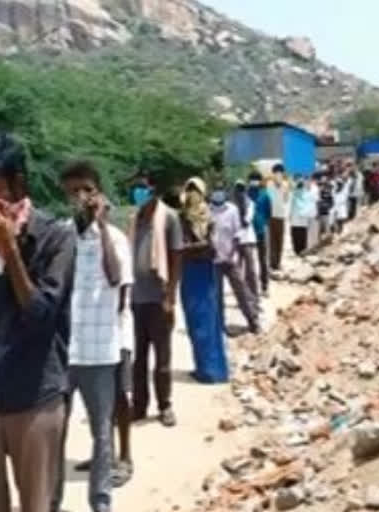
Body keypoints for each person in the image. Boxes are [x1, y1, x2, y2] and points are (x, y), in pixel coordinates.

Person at [0, 133, 76, 512]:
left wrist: (10, 248)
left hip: (35, 393)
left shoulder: (56, 238)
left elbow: (41, 316)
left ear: (18, 185)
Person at [59, 160, 134, 512]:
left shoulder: (116, 238)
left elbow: (115, 278)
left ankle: (100, 503)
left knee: (101, 434)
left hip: (100, 353)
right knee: (52, 432)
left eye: (86, 190)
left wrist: (101, 228)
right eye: (73, 192)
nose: (80, 198)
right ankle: (49, 500)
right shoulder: (61, 236)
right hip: (62, 352)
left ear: (98, 193)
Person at [128, 172, 183, 427]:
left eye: (142, 188)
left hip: (159, 298)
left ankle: (165, 405)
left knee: (162, 358)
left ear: (153, 190)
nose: (138, 192)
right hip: (137, 299)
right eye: (135, 188)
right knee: (138, 359)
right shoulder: (135, 219)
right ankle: (139, 406)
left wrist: (170, 297)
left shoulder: (168, 218)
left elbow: (176, 258)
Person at [178, 177, 228, 383]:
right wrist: (200, 247)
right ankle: (207, 367)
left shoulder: (196, 218)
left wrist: (189, 249)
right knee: (201, 319)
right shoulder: (194, 217)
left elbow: (188, 247)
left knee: (204, 319)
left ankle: (209, 370)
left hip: (197, 271)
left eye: (193, 190)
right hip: (199, 271)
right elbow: (208, 247)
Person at [210, 180, 261, 334]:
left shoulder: (232, 210)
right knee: (216, 295)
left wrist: (231, 253)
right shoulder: (207, 211)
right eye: (216, 190)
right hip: (213, 260)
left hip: (230, 259)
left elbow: (237, 234)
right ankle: (219, 325)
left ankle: (253, 320)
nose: (218, 193)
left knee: (241, 290)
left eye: (221, 190)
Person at [246, 172, 272, 297]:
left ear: (260, 181)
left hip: (261, 230)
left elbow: (268, 213)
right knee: (249, 262)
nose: (254, 181)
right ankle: (250, 287)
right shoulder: (246, 194)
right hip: (248, 232)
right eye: (252, 179)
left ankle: (264, 286)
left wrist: (263, 223)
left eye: (256, 179)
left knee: (263, 259)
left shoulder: (265, 195)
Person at [233, 180, 259, 300]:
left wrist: (240, 208)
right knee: (237, 272)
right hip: (236, 241)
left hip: (247, 240)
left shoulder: (250, 204)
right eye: (238, 189)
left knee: (251, 271)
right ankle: (242, 296)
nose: (239, 192)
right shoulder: (232, 206)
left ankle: (254, 296)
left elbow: (245, 222)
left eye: (241, 189)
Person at [266, 163, 290, 271]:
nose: (278, 175)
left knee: (280, 240)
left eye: (280, 173)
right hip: (271, 215)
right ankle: (272, 262)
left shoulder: (286, 184)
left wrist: (283, 187)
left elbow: (286, 199)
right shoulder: (269, 184)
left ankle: (278, 263)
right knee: (272, 240)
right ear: (274, 174)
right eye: (277, 173)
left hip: (281, 215)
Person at [289, 176, 312, 256]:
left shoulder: (294, 194)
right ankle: (302, 250)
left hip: (296, 219)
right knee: (302, 235)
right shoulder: (306, 194)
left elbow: (290, 206)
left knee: (296, 235)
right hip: (302, 220)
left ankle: (297, 251)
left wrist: (290, 216)